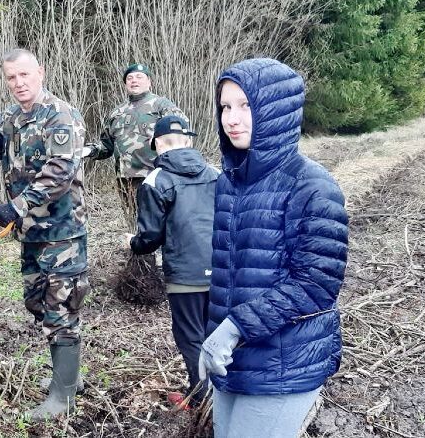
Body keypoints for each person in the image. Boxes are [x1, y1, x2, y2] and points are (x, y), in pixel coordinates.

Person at [199, 58, 348, 438]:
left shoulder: (312, 186)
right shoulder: (229, 184)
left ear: (277, 109)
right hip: (236, 362)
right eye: (226, 107)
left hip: (285, 363)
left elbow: (315, 286)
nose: (232, 118)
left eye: (246, 106)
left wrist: (233, 327)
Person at [0, 48, 89, 420]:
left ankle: (63, 395)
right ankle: (69, 373)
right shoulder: (11, 117)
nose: (19, 83)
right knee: (38, 303)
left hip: (62, 232)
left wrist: (15, 207)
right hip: (30, 233)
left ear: (40, 73)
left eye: (25, 75)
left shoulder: (61, 116)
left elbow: (60, 172)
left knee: (61, 307)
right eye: (12, 77)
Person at [123, 115, 218, 408]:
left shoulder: (155, 181)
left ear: (157, 145)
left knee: (190, 338)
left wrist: (131, 242)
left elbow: (149, 238)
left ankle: (203, 400)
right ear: (189, 141)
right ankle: (223, 396)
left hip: (185, 275)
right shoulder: (216, 174)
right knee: (217, 335)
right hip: (222, 271)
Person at [85, 63, 186, 227]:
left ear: (149, 81)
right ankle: (137, 251)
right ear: (125, 84)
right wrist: (89, 150)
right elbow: (106, 147)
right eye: (130, 78)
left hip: (154, 175)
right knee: (133, 225)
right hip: (125, 180)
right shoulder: (116, 113)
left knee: (159, 223)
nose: (134, 81)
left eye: (139, 77)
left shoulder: (160, 105)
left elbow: (180, 130)